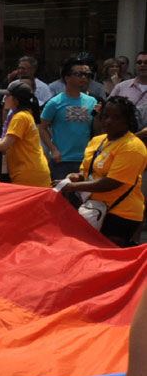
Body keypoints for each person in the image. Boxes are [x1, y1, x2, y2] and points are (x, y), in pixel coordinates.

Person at [57, 96, 147, 247]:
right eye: (105, 116)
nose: (108, 121)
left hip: (121, 213)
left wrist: (73, 187)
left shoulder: (133, 147)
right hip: (94, 207)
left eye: (116, 117)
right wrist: (77, 177)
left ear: (128, 121)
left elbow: (113, 182)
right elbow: (87, 172)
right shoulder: (97, 141)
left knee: (109, 257)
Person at [39, 56, 99, 183]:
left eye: (86, 74)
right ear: (66, 78)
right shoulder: (55, 102)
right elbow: (42, 127)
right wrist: (53, 149)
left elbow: (97, 130)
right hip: (62, 160)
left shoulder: (92, 101)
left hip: (86, 159)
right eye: (78, 74)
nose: (83, 78)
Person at [0, 82, 50, 188]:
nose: (5, 98)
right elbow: (5, 140)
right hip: (33, 170)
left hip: (28, 173)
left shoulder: (20, 117)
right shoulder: (25, 115)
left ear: (16, 99)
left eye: (8, 95)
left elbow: (4, 145)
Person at [110, 50, 147, 130]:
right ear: (135, 65)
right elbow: (108, 110)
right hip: (123, 137)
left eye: (146, 62)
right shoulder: (121, 87)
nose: (142, 65)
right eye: (139, 62)